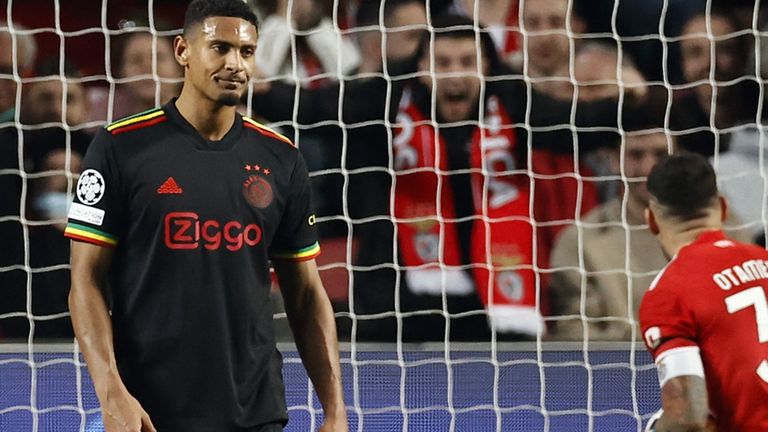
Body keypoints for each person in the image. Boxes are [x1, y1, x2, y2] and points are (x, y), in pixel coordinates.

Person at [65, 1, 347, 431]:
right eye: (219, 47)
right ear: (182, 51)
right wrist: (111, 391)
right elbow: (85, 280)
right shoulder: (119, 147)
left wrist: (335, 410)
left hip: (256, 409)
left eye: (247, 52)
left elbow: (306, 293)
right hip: (149, 412)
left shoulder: (281, 157)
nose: (235, 63)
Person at [548, 92, 752, 341]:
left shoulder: (732, 231)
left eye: (660, 154)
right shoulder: (578, 242)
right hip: (619, 375)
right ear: (614, 160)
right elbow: (573, 332)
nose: (648, 168)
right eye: (636, 155)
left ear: (679, 157)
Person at [639, 153, 768, 431]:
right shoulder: (764, 259)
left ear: (651, 220)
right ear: (723, 208)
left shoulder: (669, 292)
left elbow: (688, 416)